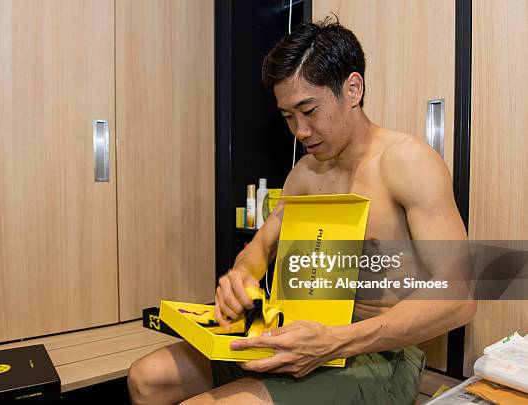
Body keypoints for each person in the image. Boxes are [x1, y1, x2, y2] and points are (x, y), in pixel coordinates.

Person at [127, 17, 476, 405]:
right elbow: (260, 248)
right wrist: (240, 276)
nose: (300, 131)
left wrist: (335, 342)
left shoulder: (408, 162)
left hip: (376, 352)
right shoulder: (305, 173)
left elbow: (460, 295)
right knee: (147, 378)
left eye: (309, 110)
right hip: (296, 331)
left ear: (353, 89)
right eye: (288, 116)